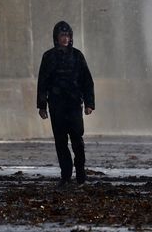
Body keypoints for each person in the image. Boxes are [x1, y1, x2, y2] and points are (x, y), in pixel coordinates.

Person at [37, 21, 95, 188]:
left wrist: (89, 103)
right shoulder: (48, 57)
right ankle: (66, 175)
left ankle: (81, 174)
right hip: (56, 106)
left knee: (77, 140)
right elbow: (43, 83)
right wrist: (42, 106)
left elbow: (87, 81)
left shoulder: (77, 56)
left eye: (68, 35)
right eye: (62, 35)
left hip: (74, 104)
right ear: (56, 37)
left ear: (71, 37)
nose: (65, 38)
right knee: (60, 142)